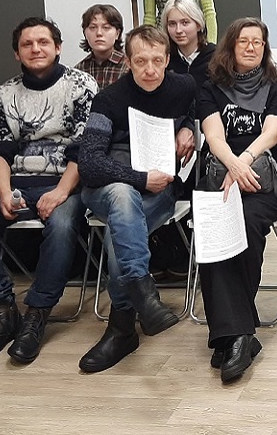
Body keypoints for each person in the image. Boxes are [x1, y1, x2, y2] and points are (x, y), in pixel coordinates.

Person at [0, 17, 97, 363]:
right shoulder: (5, 94)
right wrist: (4, 192)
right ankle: (3, 311)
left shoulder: (81, 85)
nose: (36, 49)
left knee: (61, 226)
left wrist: (60, 192)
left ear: (58, 48)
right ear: (17, 53)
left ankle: (36, 314)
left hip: (66, 184)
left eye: (43, 42)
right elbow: (0, 152)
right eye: (27, 44)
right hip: (17, 182)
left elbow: (84, 150)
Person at [77, 26, 196, 373]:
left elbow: (199, 110)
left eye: (157, 60)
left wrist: (189, 126)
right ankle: (142, 299)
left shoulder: (183, 88)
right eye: (141, 61)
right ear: (127, 62)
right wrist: (139, 178)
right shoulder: (109, 99)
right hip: (108, 188)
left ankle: (123, 329)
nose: (150, 69)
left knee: (120, 232)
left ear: (168, 60)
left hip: (160, 191)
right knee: (121, 196)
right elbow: (89, 164)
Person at [197, 18, 277, 383]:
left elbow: (273, 133)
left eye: (258, 42)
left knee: (246, 222)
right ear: (231, 46)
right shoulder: (211, 87)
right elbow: (213, 135)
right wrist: (233, 166)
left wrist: (245, 163)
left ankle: (229, 334)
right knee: (213, 226)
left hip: (268, 182)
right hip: (222, 175)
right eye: (244, 41)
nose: (252, 47)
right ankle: (239, 335)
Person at [162, 0, 216, 89]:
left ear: (198, 25)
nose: (178, 30)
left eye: (185, 23)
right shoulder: (164, 59)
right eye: (172, 24)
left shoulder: (216, 57)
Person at [75, 4, 128, 89]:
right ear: (85, 33)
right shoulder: (79, 70)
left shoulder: (129, 66)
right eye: (93, 27)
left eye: (106, 27)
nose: (99, 33)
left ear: (117, 34)